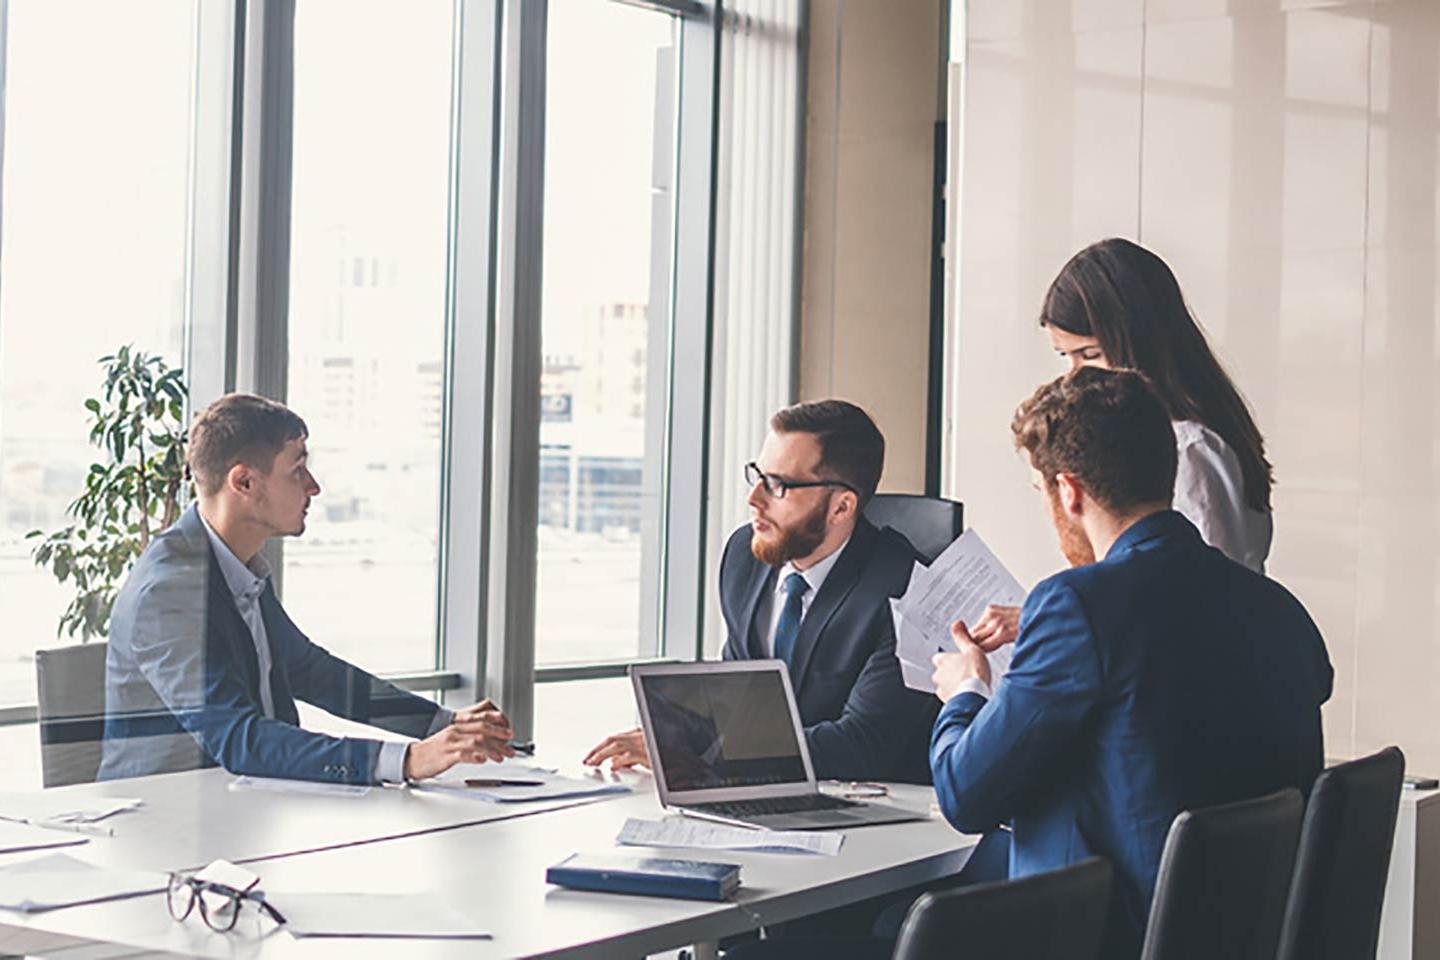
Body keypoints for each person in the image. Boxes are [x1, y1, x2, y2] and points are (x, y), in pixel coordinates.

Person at [929, 367, 1331, 958]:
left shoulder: (1075, 603)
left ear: (1068, 490)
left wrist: (966, 692)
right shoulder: (1277, 607)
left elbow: (965, 793)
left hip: (1106, 936)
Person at [99, 393, 515, 785]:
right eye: (297, 469)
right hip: (165, 827)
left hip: (242, 807)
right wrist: (407, 760)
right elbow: (237, 738)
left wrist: (443, 725)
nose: (313, 486)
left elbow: (309, 671)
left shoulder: (239, 567)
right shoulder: (166, 590)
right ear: (243, 483)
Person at [584, 400, 938, 783]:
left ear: (841, 507)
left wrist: (698, 756)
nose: (754, 499)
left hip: (879, 815)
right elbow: (740, 701)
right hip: (763, 796)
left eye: (778, 485)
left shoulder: (911, 593)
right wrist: (664, 739)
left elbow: (860, 745)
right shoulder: (744, 557)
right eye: (757, 475)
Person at [970, 236, 1276, 651]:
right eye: (1066, 358)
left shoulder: (1189, 448)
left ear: (1139, 341)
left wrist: (1052, 619)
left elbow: (1197, 606)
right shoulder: (1169, 437)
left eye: (1090, 354)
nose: (1074, 378)